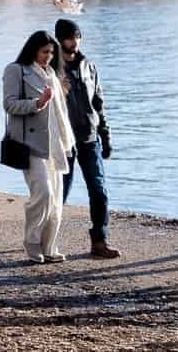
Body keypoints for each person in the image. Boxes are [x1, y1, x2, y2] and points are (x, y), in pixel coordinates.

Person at [3, 30, 72, 263]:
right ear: (33, 49)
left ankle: (50, 245)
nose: (49, 57)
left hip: (55, 143)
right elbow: (9, 104)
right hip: (29, 142)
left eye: (52, 52)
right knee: (43, 192)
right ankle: (31, 241)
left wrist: (68, 141)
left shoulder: (52, 73)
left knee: (56, 198)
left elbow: (60, 112)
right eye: (45, 52)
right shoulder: (16, 70)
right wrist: (37, 103)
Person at [54, 18, 118, 259]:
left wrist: (106, 134)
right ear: (61, 39)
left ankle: (99, 241)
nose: (75, 41)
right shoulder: (52, 68)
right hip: (64, 141)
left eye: (78, 36)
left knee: (99, 191)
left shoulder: (88, 66)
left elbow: (98, 103)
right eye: (71, 37)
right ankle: (46, 239)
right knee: (60, 193)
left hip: (90, 137)